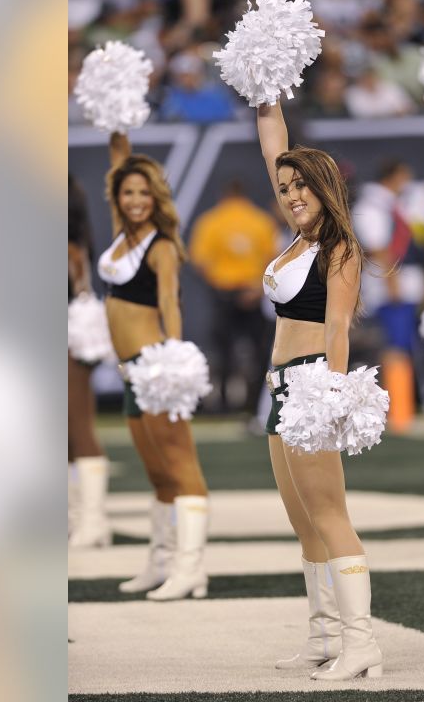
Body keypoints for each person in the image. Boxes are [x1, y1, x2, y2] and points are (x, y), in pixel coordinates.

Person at [255, 100, 383, 680]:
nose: (291, 194)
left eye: (301, 184)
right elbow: (271, 144)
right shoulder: (296, 240)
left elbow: (336, 328)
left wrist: (329, 395)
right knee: (304, 524)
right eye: (284, 187)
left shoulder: (339, 247)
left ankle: (362, 645)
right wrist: (268, 93)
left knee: (330, 516)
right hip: (280, 388)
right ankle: (324, 637)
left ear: (325, 186)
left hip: (311, 386)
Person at [97, 131, 210, 600]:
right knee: (157, 472)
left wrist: (176, 360)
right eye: (128, 192)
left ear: (156, 197)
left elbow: (170, 302)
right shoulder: (123, 235)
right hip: (129, 372)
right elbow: (118, 161)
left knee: (182, 467)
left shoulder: (161, 246)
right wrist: (117, 126)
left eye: (145, 192)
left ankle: (191, 569)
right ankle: (161, 561)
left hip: (155, 368)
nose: (137, 199)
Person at [188, 179, 278, 416]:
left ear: (224, 195)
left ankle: (224, 403)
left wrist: (219, 286)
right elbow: (275, 259)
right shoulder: (261, 220)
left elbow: (200, 261)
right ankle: (253, 402)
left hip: (224, 292)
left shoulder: (211, 221)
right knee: (259, 351)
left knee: (223, 350)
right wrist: (256, 289)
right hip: (254, 291)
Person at [353, 159, 422, 429]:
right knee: (395, 346)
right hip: (387, 288)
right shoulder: (373, 206)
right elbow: (380, 248)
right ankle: (398, 411)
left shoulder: (389, 204)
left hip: (398, 285)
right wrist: (393, 285)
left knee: (400, 346)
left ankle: (400, 409)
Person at [68, 175, 113, 548]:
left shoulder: (70, 246)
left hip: (70, 338)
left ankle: (94, 520)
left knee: (80, 428)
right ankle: (72, 515)